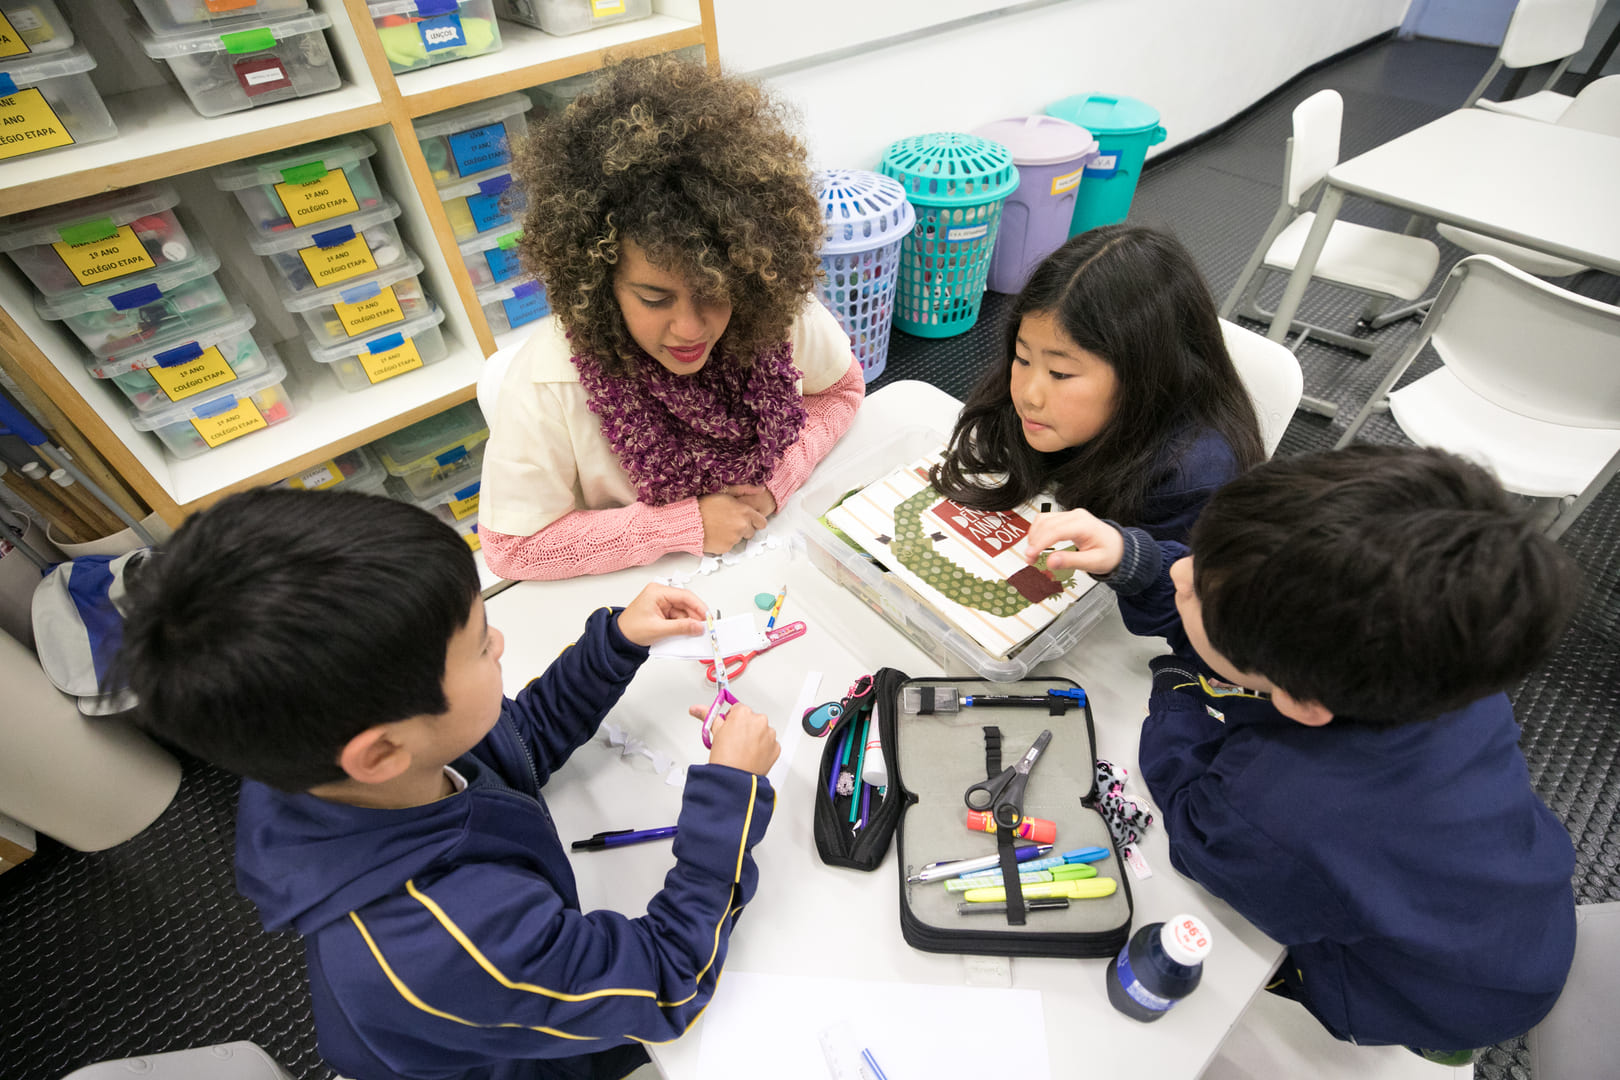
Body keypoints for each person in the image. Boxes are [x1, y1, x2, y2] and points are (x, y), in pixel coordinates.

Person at [116, 488, 781, 1080]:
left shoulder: (323, 769)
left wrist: (613, 646)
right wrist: (729, 799)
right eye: (479, 642)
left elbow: (515, 742)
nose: (500, 645)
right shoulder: (450, 940)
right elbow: (666, 982)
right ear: (380, 751)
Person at [1020, 445, 1578, 1058]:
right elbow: (1259, 620)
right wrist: (1139, 561)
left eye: (1197, 587)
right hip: (1526, 917)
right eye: (1199, 557)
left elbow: (1195, 823)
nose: (1182, 574)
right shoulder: (1449, 659)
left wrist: (1179, 691)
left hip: (1420, 1000)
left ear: (1302, 702)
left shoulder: (1269, 810)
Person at [480, 54, 865, 580]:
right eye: (655, 299)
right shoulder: (549, 381)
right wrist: (680, 526)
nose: (689, 329)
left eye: (714, 293)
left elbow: (841, 390)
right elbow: (511, 548)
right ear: (600, 281)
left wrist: (782, 476)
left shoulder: (770, 311)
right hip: (642, 604)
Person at [931, 225, 1264, 543]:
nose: (1029, 395)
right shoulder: (1052, 393)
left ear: (1143, 376)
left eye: (1060, 374)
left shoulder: (1192, 478)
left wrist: (1128, 560)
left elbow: (1179, 594)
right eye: (1022, 357)